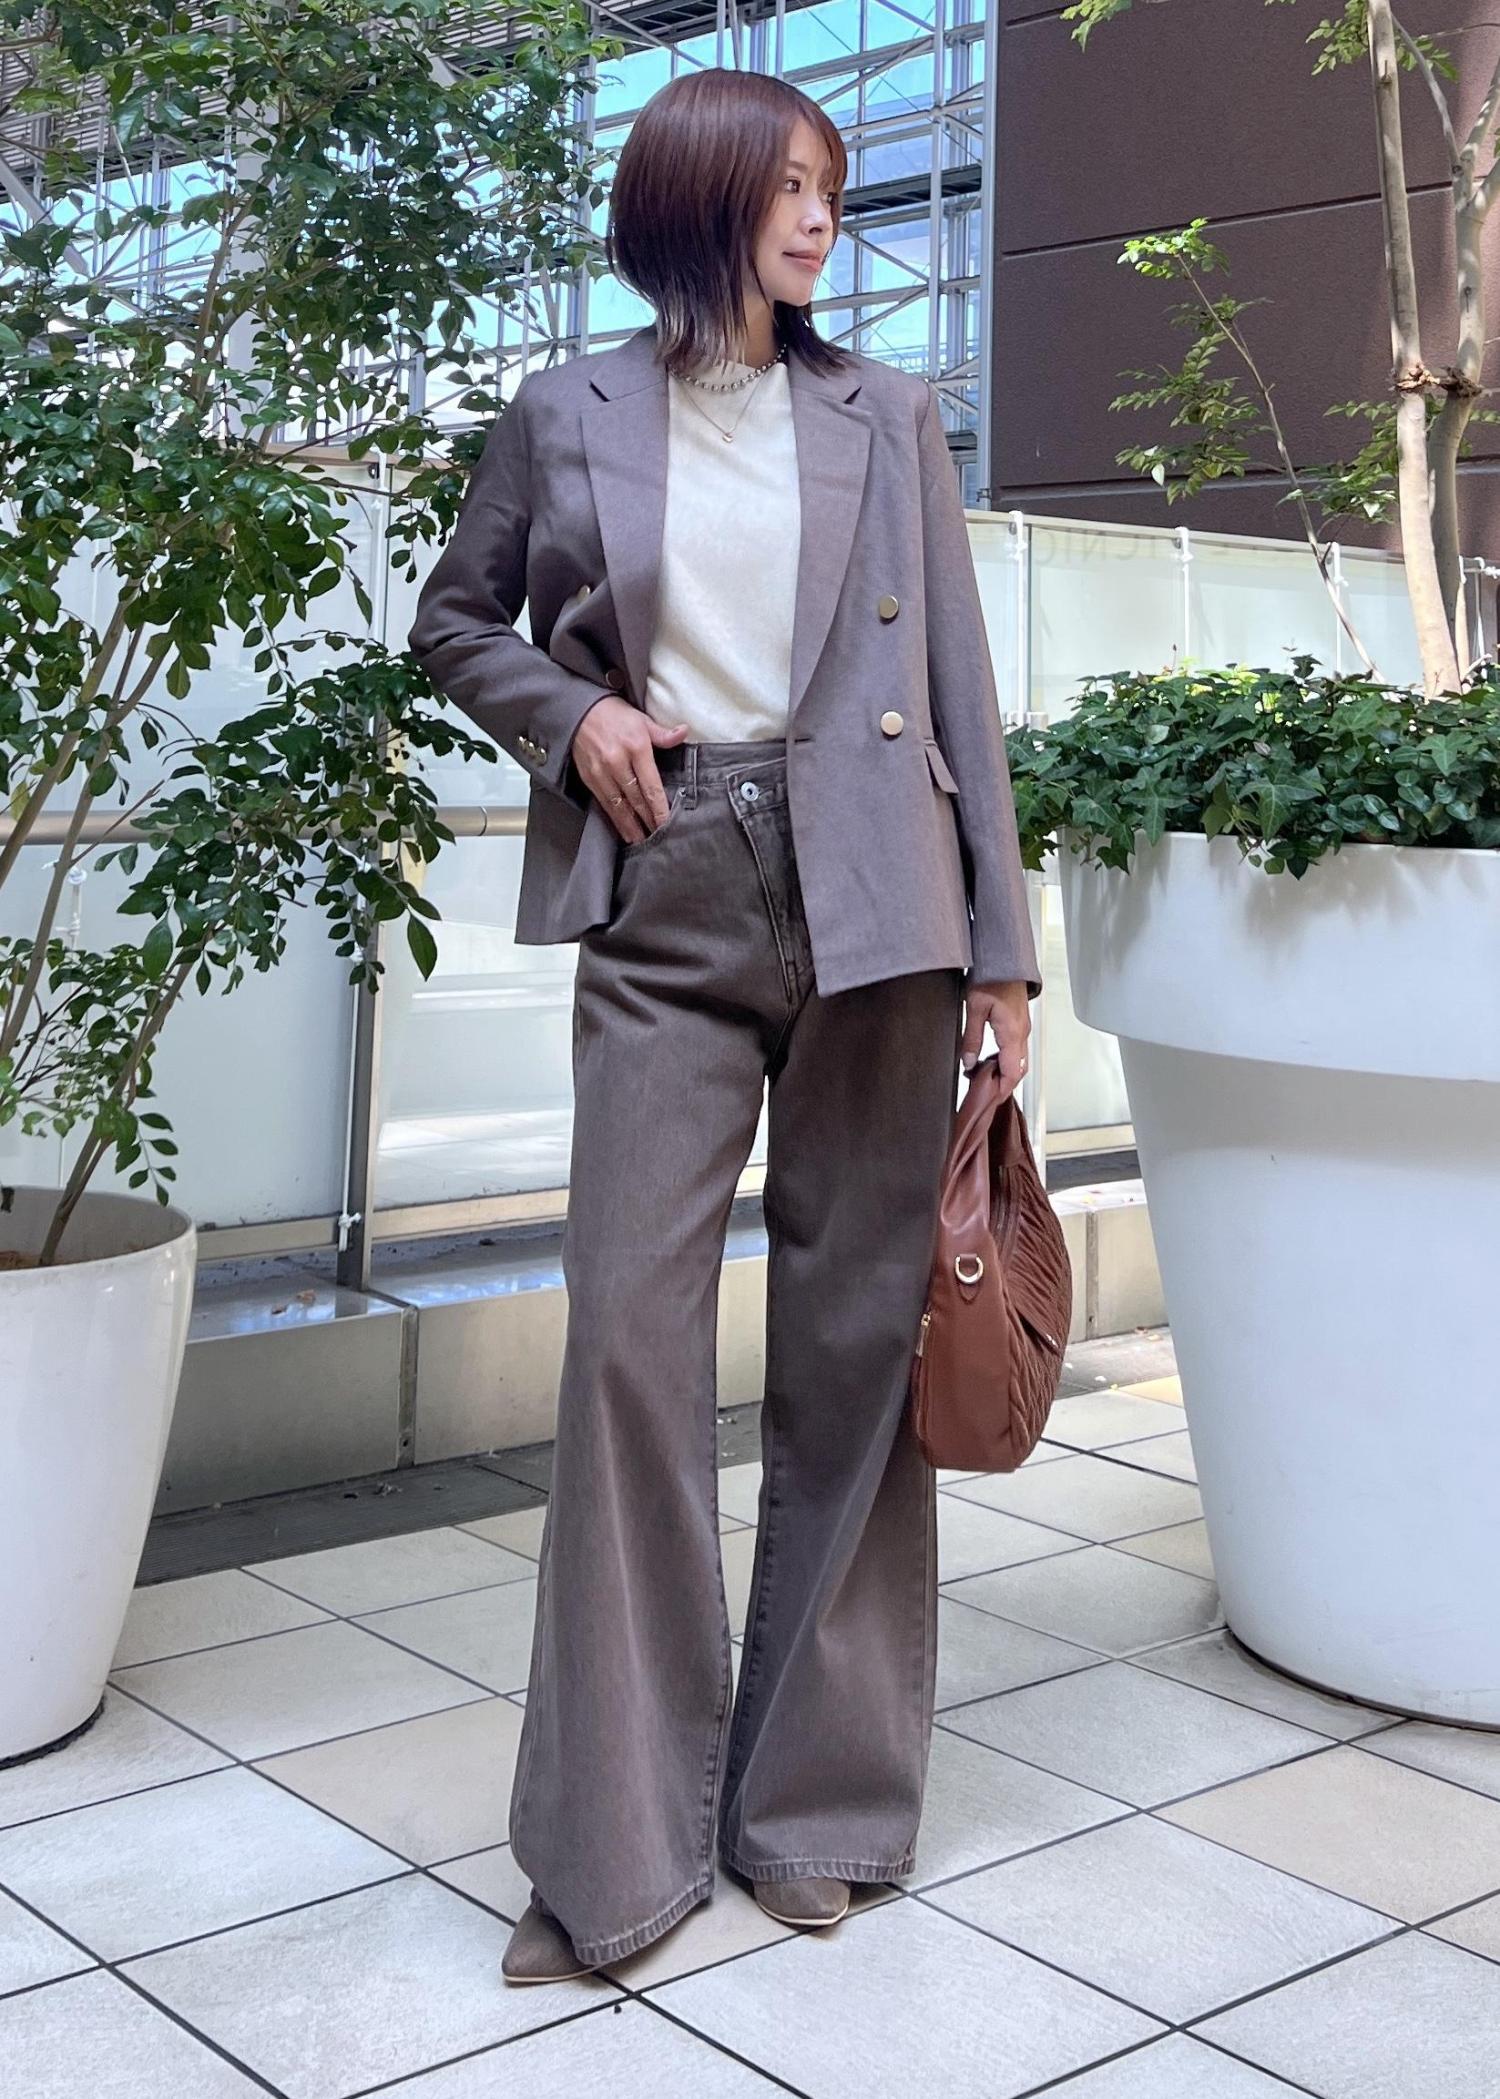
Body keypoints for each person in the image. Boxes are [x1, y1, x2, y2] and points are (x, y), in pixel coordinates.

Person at [406, 65, 1040, 1983]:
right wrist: (576, 714)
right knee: (624, 1334)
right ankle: (608, 1849)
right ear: (694, 200)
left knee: (852, 1345)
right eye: (786, 186)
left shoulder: (889, 414)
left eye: (830, 186)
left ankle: (814, 1810)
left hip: (881, 898)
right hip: (667, 883)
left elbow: (961, 685)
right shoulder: (567, 411)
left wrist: (1003, 953)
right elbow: (456, 623)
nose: (821, 217)